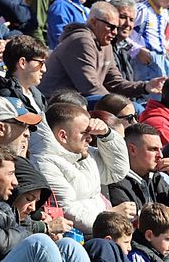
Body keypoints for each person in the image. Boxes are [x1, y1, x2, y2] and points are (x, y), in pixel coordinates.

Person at [29, 100, 130, 236]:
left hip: (100, 228)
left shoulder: (83, 153)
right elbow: (67, 211)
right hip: (77, 236)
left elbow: (116, 171)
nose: (90, 138)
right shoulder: (43, 162)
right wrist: (111, 215)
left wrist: (106, 135)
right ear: (63, 136)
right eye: (84, 133)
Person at [41, 2, 161, 100]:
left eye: (117, 28)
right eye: (111, 27)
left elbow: (115, 82)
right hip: (56, 102)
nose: (115, 32)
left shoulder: (105, 44)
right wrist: (119, 105)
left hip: (77, 101)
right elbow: (89, 87)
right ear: (93, 22)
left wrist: (145, 86)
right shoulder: (81, 40)